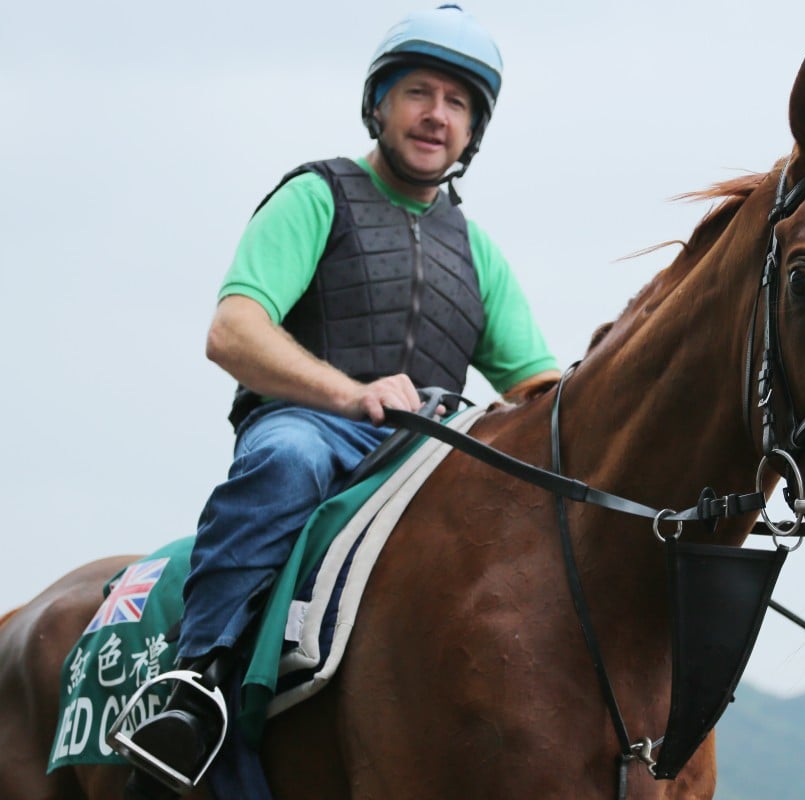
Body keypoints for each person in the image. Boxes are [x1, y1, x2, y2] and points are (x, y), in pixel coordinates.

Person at [114, 5, 559, 796]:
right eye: (419, 93)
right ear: (379, 104)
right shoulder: (317, 197)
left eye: (458, 104)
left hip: (424, 456)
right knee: (286, 458)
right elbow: (232, 330)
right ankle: (194, 687)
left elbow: (535, 383)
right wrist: (346, 394)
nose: (436, 115)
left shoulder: (477, 248)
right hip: (313, 428)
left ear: (473, 131)